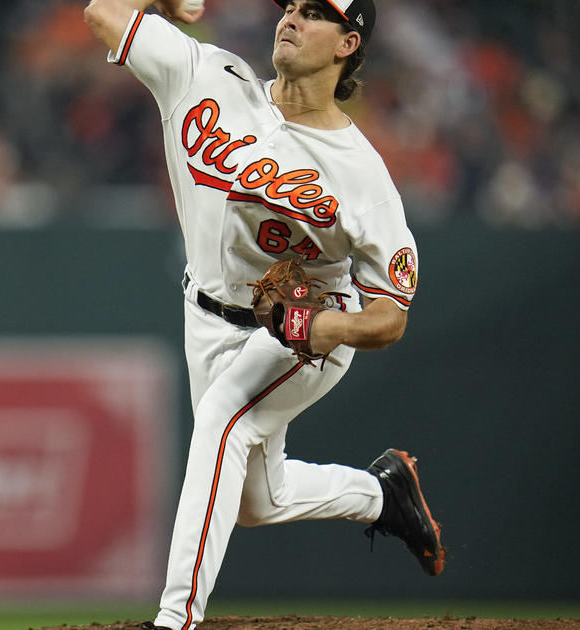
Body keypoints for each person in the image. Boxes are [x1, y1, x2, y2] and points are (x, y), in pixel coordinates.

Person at [82, 1, 446, 628]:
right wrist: (167, 4)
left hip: (306, 331)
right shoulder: (204, 75)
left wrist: (321, 330)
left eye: (313, 13)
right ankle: (380, 494)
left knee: (224, 420)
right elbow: (101, 11)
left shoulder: (363, 176)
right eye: (291, 8)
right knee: (257, 499)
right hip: (206, 314)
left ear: (346, 44)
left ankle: (177, 620)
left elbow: (390, 315)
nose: (291, 20)